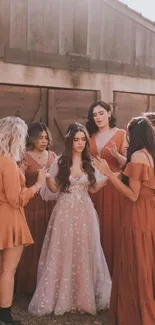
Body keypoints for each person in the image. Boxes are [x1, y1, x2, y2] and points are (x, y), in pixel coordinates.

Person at [28, 122, 112, 316]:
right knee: (63, 249)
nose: (81, 143)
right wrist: (48, 177)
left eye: (83, 139)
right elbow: (55, 190)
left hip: (85, 211)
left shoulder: (89, 162)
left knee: (84, 249)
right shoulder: (60, 161)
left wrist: (108, 177)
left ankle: (83, 296)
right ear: (70, 141)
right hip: (64, 211)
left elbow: (92, 189)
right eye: (76, 140)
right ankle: (61, 296)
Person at [93, 116, 155, 325]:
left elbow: (133, 194)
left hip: (137, 215)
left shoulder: (138, 156)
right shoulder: (147, 154)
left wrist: (108, 174)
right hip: (147, 214)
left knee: (135, 263)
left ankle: (136, 315)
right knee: (143, 261)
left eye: (128, 133)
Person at [0, 117, 47, 325]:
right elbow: (16, 199)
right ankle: (5, 317)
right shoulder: (7, 161)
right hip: (9, 218)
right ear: (16, 136)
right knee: (8, 270)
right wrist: (38, 185)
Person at [86, 100, 126, 276]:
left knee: (114, 226)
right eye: (94, 115)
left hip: (114, 185)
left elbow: (127, 164)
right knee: (96, 227)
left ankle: (115, 272)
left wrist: (117, 156)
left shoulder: (121, 133)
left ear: (109, 113)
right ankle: (97, 274)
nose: (98, 117)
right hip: (95, 187)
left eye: (101, 113)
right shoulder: (89, 135)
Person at [16, 122, 56, 295]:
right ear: (32, 138)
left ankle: (46, 286)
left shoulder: (53, 156)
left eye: (46, 137)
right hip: (30, 206)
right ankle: (27, 285)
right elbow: (16, 183)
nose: (44, 141)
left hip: (50, 205)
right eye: (40, 137)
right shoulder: (23, 156)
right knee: (30, 244)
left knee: (48, 242)